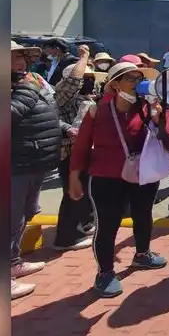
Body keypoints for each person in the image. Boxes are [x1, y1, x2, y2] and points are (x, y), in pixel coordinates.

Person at [68, 61, 169, 297]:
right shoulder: (96, 110)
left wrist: (160, 118)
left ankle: (142, 253)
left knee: (143, 215)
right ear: (115, 83)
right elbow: (81, 145)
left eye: (138, 78)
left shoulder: (148, 108)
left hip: (143, 173)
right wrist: (74, 176)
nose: (136, 83)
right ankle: (105, 272)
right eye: (130, 78)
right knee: (108, 225)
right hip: (106, 176)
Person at [10, 41, 61, 300]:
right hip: (14, 163)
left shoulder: (31, 82)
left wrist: (63, 128)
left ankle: (13, 262)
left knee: (23, 215)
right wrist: (25, 94)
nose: (19, 62)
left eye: (21, 57)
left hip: (34, 160)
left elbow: (46, 112)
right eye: (12, 57)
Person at [51, 44, 103, 251]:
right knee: (73, 193)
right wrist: (84, 57)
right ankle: (66, 238)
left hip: (87, 152)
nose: (89, 82)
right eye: (86, 78)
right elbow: (72, 82)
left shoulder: (89, 99)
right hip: (70, 153)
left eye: (92, 79)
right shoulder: (65, 98)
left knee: (86, 191)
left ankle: (85, 224)